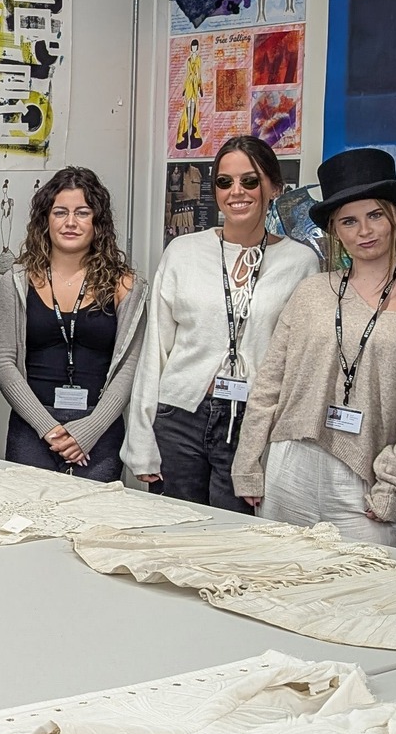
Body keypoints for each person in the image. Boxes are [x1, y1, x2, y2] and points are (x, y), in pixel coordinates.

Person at [231, 149, 396, 545]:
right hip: (289, 463)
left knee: (364, 596)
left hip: (366, 475)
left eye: (375, 216)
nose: (363, 231)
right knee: (275, 588)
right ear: (335, 230)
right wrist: (248, 462)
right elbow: (271, 382)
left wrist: (393, 484)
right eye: (349, 221)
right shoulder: (313, 291)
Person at [125, 134, 321, 510]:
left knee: (233, 541)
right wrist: (140, 440)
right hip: (180, 414)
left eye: (250, 181)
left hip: (252, 422)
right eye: (224, 182)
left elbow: (299, 364)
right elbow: (155, 349)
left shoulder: (301, 263)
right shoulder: (183, 252)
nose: (237, 192)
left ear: (274, 188)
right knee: (174, 533)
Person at [0, 167, 146, 480]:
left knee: (95, 525)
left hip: (99, 428)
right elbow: (1, 363)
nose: (70, 222)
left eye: (83, 212)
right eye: (60, 212)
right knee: (27, 522)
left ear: (98, 222)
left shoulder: (126, 285)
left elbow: (130, 367)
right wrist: (47, 427)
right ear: (45, 220)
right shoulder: (17, 282)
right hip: (32, 425)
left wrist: (91, 429)